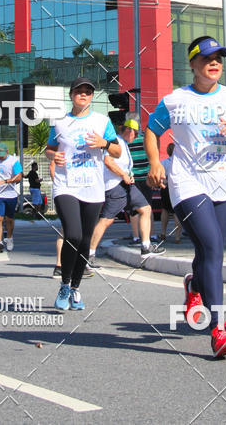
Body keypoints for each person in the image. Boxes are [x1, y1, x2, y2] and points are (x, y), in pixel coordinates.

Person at [146, 35, 226, 359]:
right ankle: (219, 329)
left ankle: (194, 287)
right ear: (193, 64)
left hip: (223, 185)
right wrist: (156, 162)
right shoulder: (175, 101)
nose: (214, 63)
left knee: (209, 250)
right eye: (207, 58)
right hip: (186, 182)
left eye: (219, 59)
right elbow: (152, 130)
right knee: (212, 245)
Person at [45, 76, 121, 311]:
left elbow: (117, 151)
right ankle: (64, 284)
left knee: (86, 241)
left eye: (88, 91)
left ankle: (76, 288)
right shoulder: (59, 123)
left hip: (93, 187)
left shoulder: (102, 121)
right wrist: (52, 156)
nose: (84, 95)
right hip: (66, 184)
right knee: (74, 235)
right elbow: (49, 149)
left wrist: (104, 144)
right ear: (71, 95)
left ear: (91, 97)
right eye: (79, 91)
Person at [88, 118, 164, 266]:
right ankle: (89, 254)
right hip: (115, 186)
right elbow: (108, 162)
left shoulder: (124, 143)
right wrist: (123, 175)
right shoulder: (115, 142)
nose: (135, 138)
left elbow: (124, 165)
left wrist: (129, 175)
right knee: (106, 220)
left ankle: (146, 246)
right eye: (135, 134)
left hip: (126, 185)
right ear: (129, 131)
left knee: (146, 209)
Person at [159, 142, 182, 243]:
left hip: (166, 187)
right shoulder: (180, 163)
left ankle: (163, 232)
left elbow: (161, 176)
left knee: (165, 210)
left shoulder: (164, 162)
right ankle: (177, 237)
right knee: (176, 212)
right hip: (177, 187)